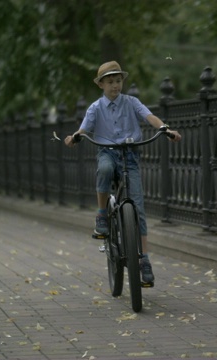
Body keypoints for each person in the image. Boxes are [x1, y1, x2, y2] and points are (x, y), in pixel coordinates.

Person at [64, 60, 181, 284]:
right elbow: (84, 128)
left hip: (130, 155)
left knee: (138, 208)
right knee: (105, 168)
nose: (115, 86)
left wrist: (165, 129)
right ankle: (101, 214)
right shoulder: (95, 108)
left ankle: (144, 259)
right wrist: (74, 137)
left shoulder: (132, 102)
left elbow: (149, 116)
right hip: (107, 152)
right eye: (110, 82)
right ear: (101, 85)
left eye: (118, 81)